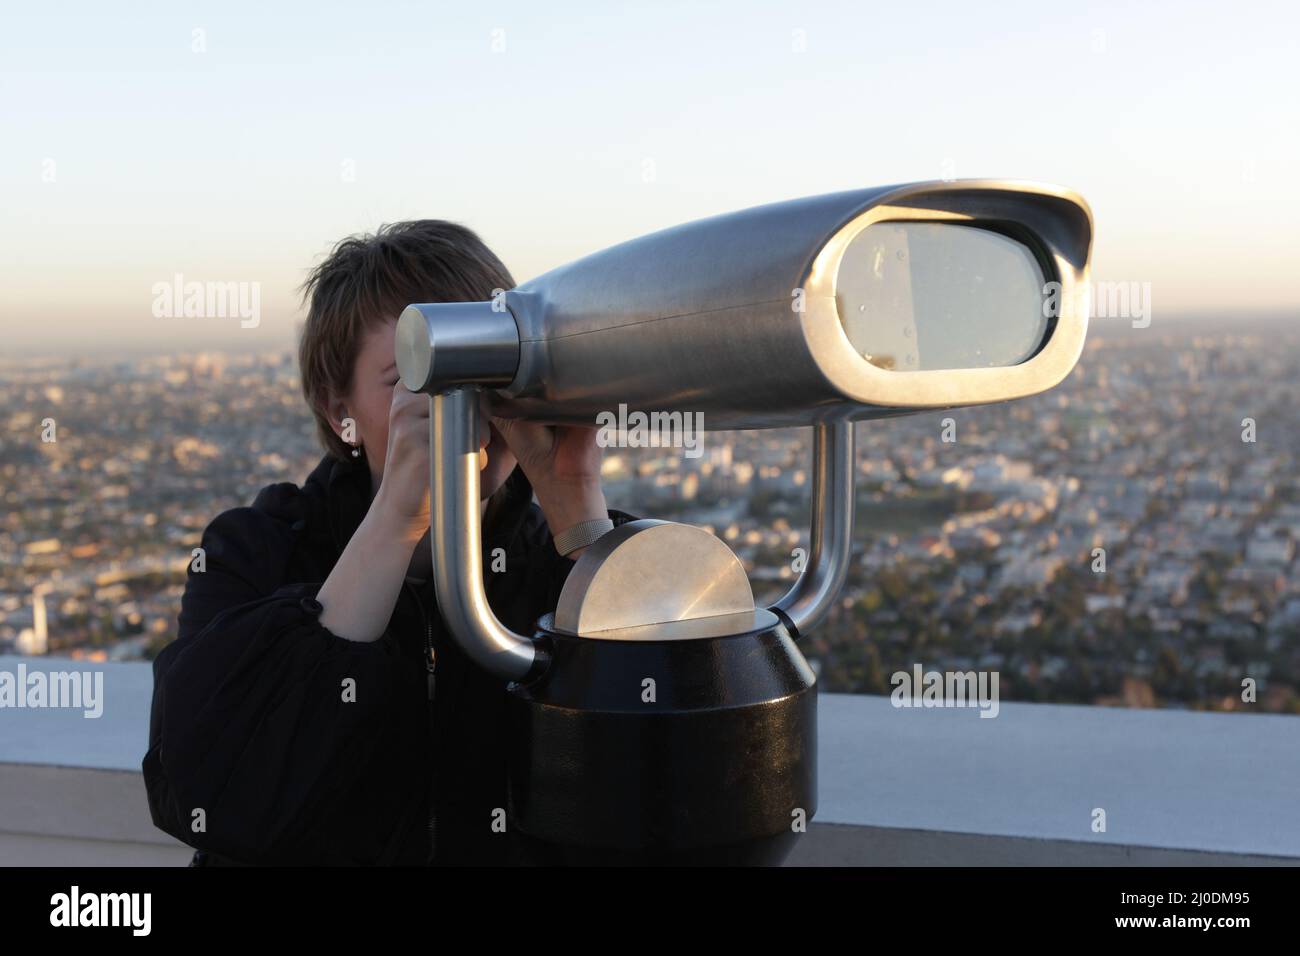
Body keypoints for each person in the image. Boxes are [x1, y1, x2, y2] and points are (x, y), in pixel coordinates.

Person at [142, 220, 635, 865]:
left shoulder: (581, 559)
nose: (467, 405)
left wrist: (579, 514)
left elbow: (678, 788)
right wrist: (400, 514)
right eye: (418, 374)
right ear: (335, 408)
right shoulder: (255, 552)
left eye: (492, 371)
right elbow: (206, 793)